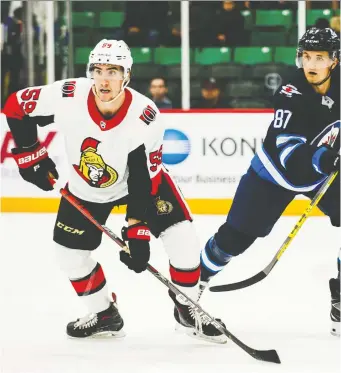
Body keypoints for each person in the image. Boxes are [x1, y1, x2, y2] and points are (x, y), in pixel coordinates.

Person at [3, 39, 225, 342]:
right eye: (97, 69)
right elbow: (16, 105)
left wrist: (138, 228)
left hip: (140, 184)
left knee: (183, 238)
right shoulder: (68, 94)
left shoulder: (145, 116)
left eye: (113, 70)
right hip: (87, 189)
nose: (103, 78)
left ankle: (187, 310)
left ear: (126, 76)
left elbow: (144, 180)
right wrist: (29, 154)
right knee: (69, 256)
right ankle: (104, 314)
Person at [198, 28, 340, 337]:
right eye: (306, 57)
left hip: (322, 176)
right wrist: (325, 159)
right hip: (274, 175)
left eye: (320, 58)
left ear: (334, 61)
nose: (311, 64)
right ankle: (190, 290)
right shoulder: (291, 93)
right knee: (233, 240)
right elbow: (289, 151)